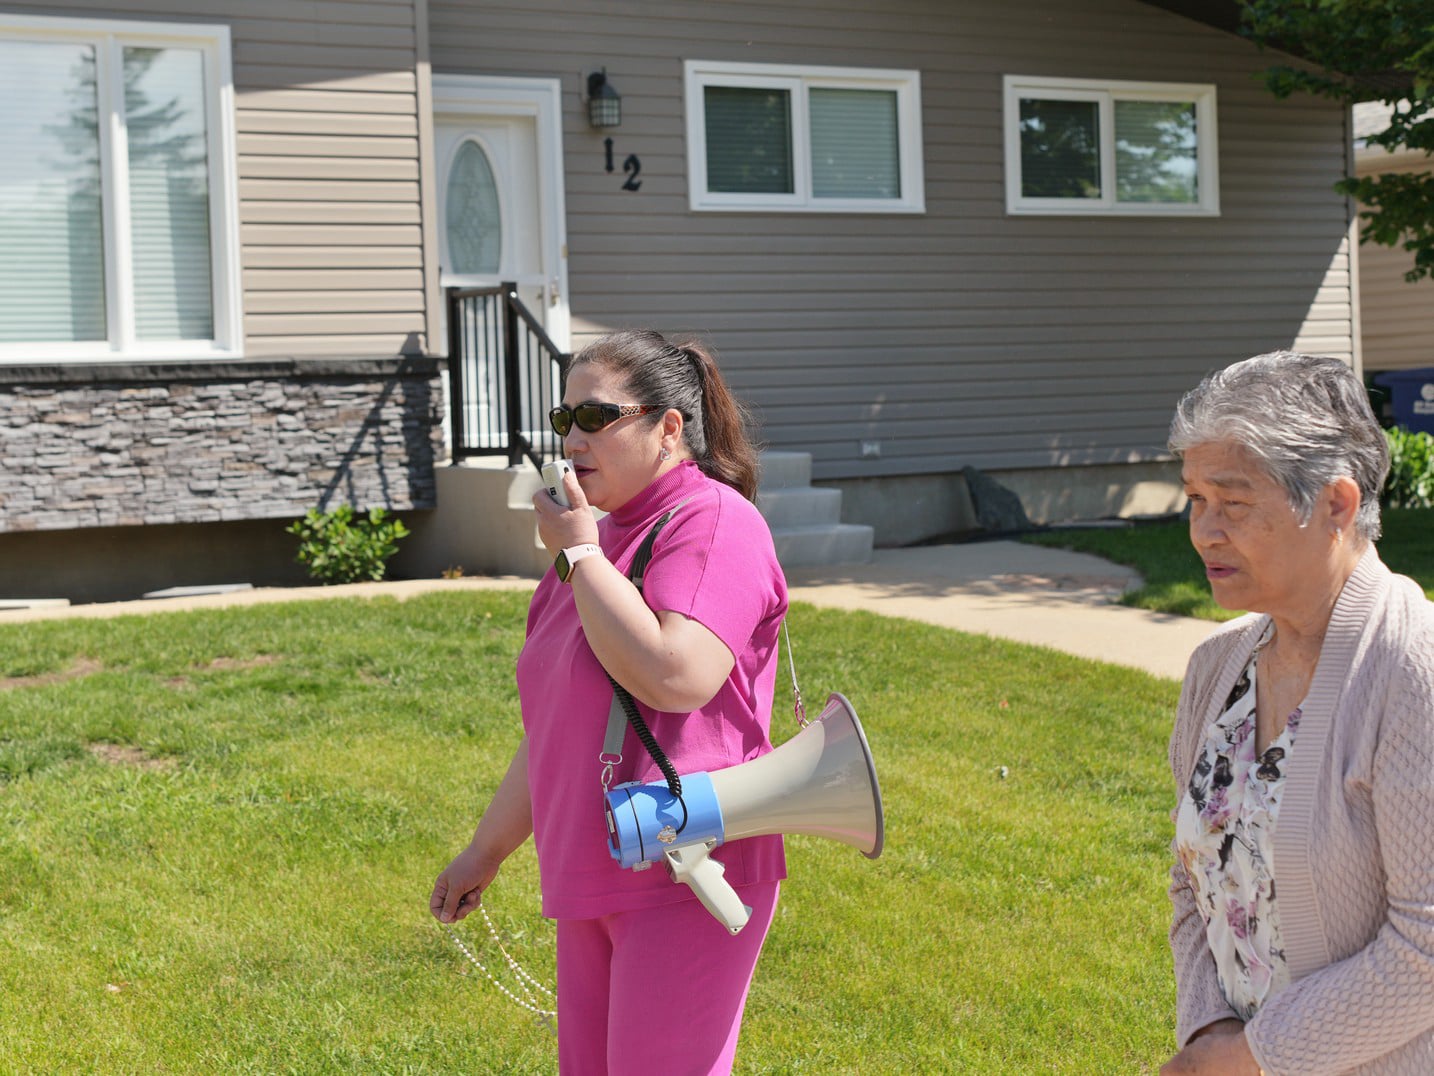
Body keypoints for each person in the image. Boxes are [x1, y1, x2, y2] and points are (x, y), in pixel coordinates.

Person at [430, 329, 788, 1075]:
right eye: (565, 420)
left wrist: (584, 556)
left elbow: (677, 675)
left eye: (596, 417)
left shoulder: (712, 521)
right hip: (597, 867)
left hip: (688, 867)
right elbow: (557, 731)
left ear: (667, 428)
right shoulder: (595, 537)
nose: (573, 438)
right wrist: (485, 851)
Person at [1161, 351, 1434, 1075]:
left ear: (1337, 506)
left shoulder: (1413, 670)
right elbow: (1194, 882)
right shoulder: (1216, 668)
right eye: (1195, 499)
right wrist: (1207, 1032)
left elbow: (1428, 949)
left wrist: (1247, 1059)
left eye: (1235, 502)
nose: (1203, 531)